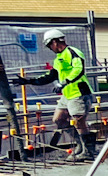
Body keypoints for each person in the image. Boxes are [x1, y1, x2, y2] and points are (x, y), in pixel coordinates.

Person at [19, 29, 95, 161]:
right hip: (68, 94)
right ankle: (80, 144)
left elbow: (79, 69)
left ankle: (87, 151)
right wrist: (28, 81)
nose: (50, 48)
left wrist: (64, 82)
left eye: (49, 45)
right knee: (58, 120)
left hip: (79, 92)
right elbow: (51, 76)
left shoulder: (73, 52)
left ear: (55, 42)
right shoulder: (58, 59)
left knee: (78, 120)